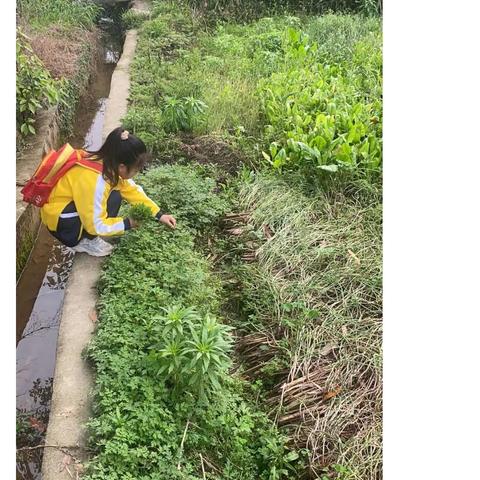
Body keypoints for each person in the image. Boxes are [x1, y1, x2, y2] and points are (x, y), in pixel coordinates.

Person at [40, 127, 176, 257]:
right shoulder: (94, 181)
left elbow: (132, 190)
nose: (137, 173)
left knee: (116, 194)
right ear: (122, 167)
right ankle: (83, 242)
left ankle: (85, 235)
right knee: (111, 199)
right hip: (63, 225)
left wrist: (159, 215)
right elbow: (96, 225)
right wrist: (127, 223)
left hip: (66, 211)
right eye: (136, 169)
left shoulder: (106, 163)